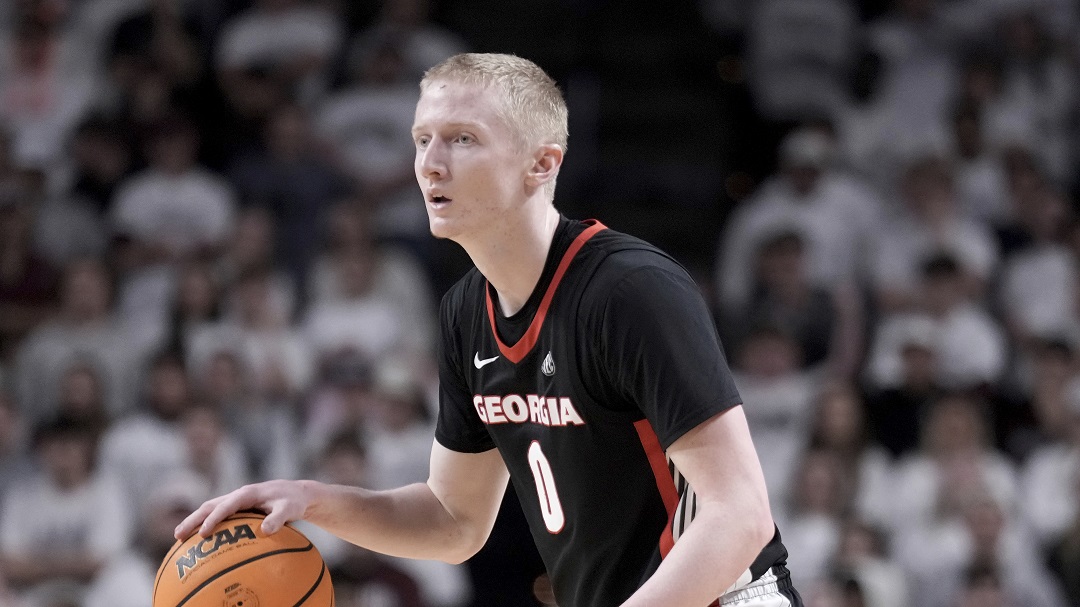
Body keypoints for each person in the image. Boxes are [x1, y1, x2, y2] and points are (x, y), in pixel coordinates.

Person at [176, 52, 801, 607]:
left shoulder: (629, 291)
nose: (429, 165)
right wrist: (312, 499)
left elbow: (739, 514)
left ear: (541, 163)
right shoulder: (463, 313)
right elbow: (454, 521)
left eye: (462, 139)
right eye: (422, 140)